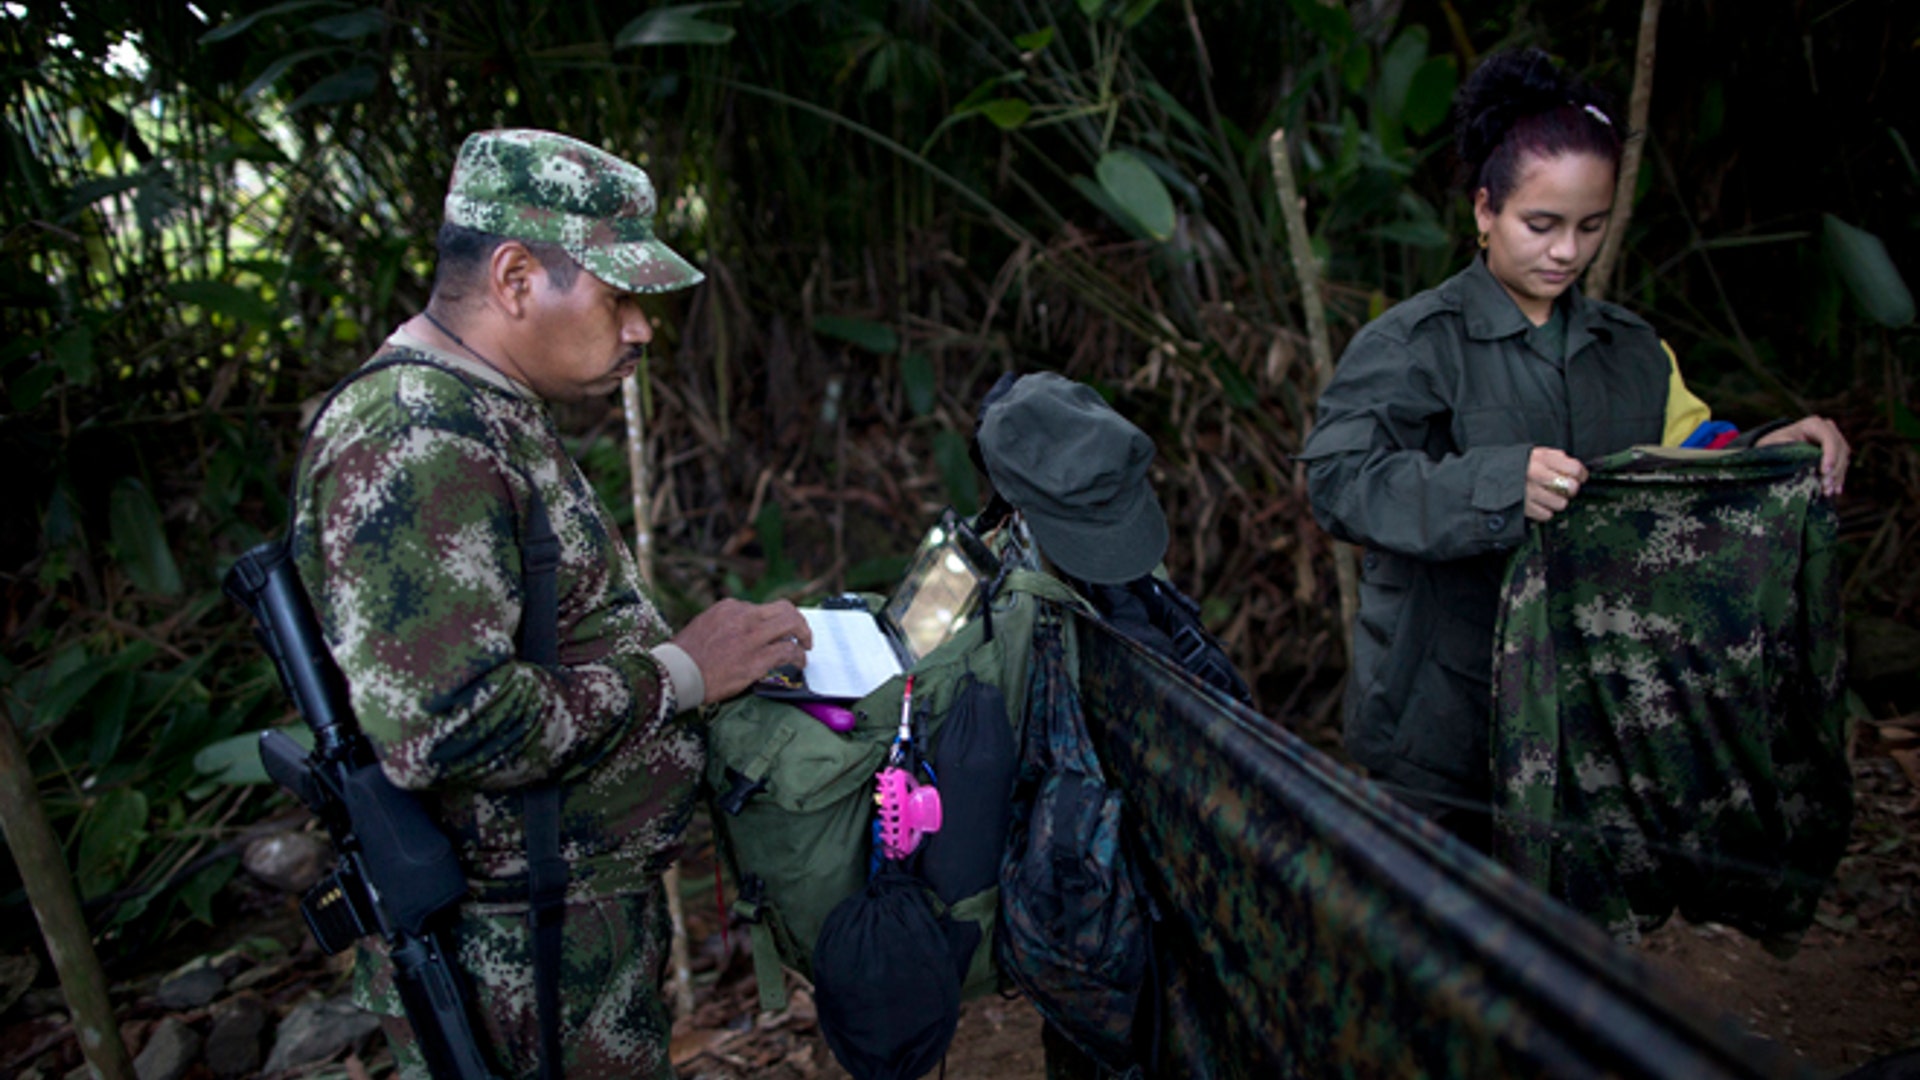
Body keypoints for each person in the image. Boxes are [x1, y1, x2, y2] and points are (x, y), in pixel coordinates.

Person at [290, 129, 812, 1078]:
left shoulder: (484, 410)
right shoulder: (414, 436)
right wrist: (682, 675)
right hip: (512, 952)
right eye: (616, 298)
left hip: (564, 924)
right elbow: (442, 726)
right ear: (518, 277)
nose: (642, 327)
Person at [1297, 49, 1849, 847]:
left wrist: (1773, 454)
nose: (1565, 252)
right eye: (1541, 225)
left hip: (1589, 721)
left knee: (1559, 943)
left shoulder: (1632, 350)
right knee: (1433, 940)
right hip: (1438, 717)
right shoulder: (1414, 344)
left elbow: (1685, 461)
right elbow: (1340, 482)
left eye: (1589, 228)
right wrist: (1495, 485)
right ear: (1484, 210)